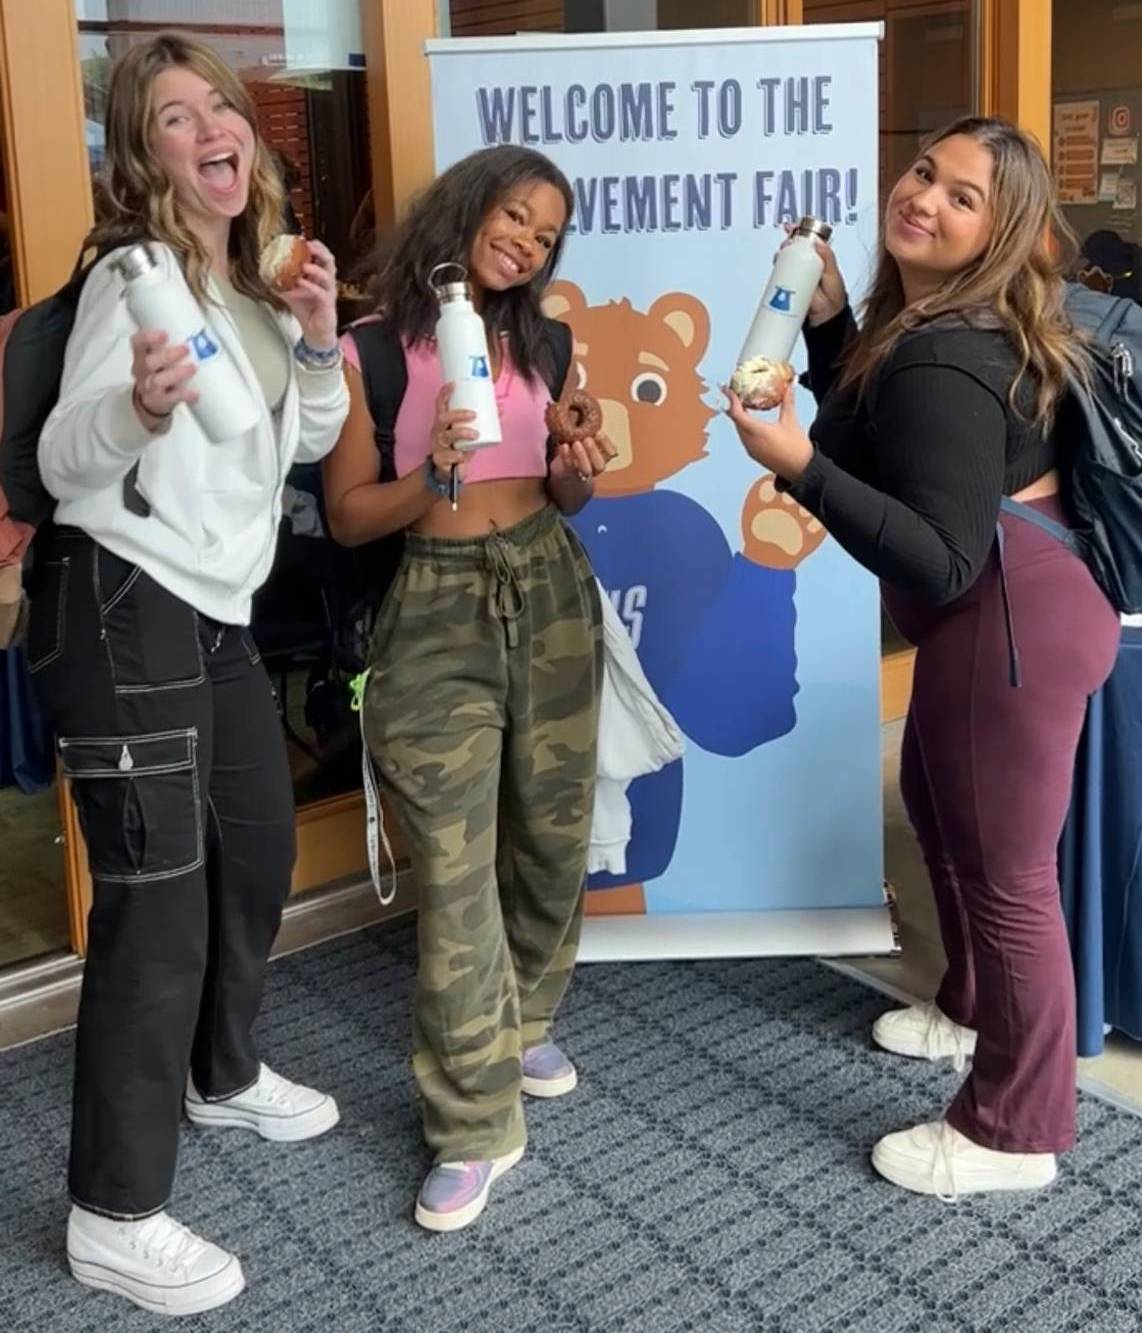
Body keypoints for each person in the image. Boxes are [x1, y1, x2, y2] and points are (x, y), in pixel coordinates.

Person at [726, 116, 1120, 1199]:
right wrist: (830, 325)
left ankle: (1015, 1126)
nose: (924, 200)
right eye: (922, 173)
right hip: (1004, 618)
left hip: (1008, 624)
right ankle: (972, 1012)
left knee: (1009, 878)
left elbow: (939, 560)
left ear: (1003, 232)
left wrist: (797, 465)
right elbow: (880, 445)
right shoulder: (936, 324)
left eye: (961, 198)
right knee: (939, 809)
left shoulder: (952, 351)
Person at [30, 34, 349, 1315]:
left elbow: (298, 443)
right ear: (142, 153)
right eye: (174, 115)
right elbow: (65, 458)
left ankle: (222, 1074)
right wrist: (140, 413)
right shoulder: (137, 279)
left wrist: (318, 339)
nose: (211, 125)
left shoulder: (252, 285)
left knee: (259, 847)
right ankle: (114, 1211)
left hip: (213, 610)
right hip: (118, 603)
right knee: (156, 902)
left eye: (220, 104)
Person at [323, 144, 614, 1232]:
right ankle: (472, 1120)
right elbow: (352, 515)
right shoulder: (368, 352)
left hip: (545, 584)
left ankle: (522, 1014)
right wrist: (432, 475)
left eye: (547, 233)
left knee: (549, 833)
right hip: (433, 609)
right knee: (452, 867)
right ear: (468, 204)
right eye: (516, 215)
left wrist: (578, 457)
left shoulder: (545, 337)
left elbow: (566, 491)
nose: (528, 241)